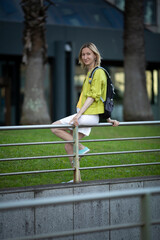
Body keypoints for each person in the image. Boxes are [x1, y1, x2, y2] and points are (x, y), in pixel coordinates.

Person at [51, 42, 119, 181]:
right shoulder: (91, 72)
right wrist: (109, 119)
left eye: (88, 54)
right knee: (68, 146)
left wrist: (78, 115)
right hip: (89, 115)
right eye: (83, 54)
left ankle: (81, 147)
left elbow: (93, 97)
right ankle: (77, 179)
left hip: (88, 116)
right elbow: (101, 98)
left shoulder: (98, 72)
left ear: (95, 55)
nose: (85, 56)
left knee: (54, 127)